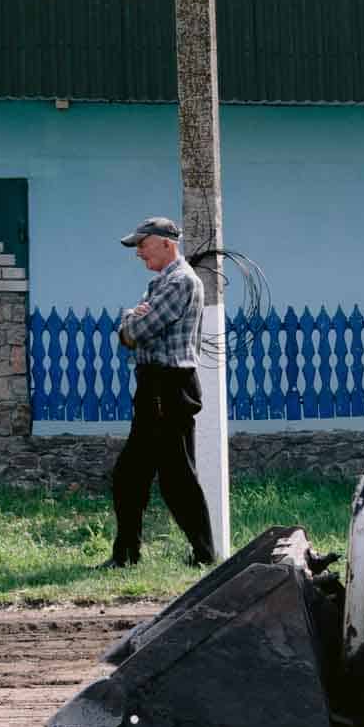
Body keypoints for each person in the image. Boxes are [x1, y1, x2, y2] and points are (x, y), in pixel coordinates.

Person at [102, 215, 215, 570]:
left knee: (175, 478)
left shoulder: (180, 282)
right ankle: (126, 555)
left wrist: (130, 322)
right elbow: (129, 331)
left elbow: (139, 330)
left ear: (167, 243)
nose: (138, 253)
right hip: (154, 385)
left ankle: (203, 554)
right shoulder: (161, 284)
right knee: (131, 476)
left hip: (170, 386)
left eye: (142, 244)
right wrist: (130, 323)